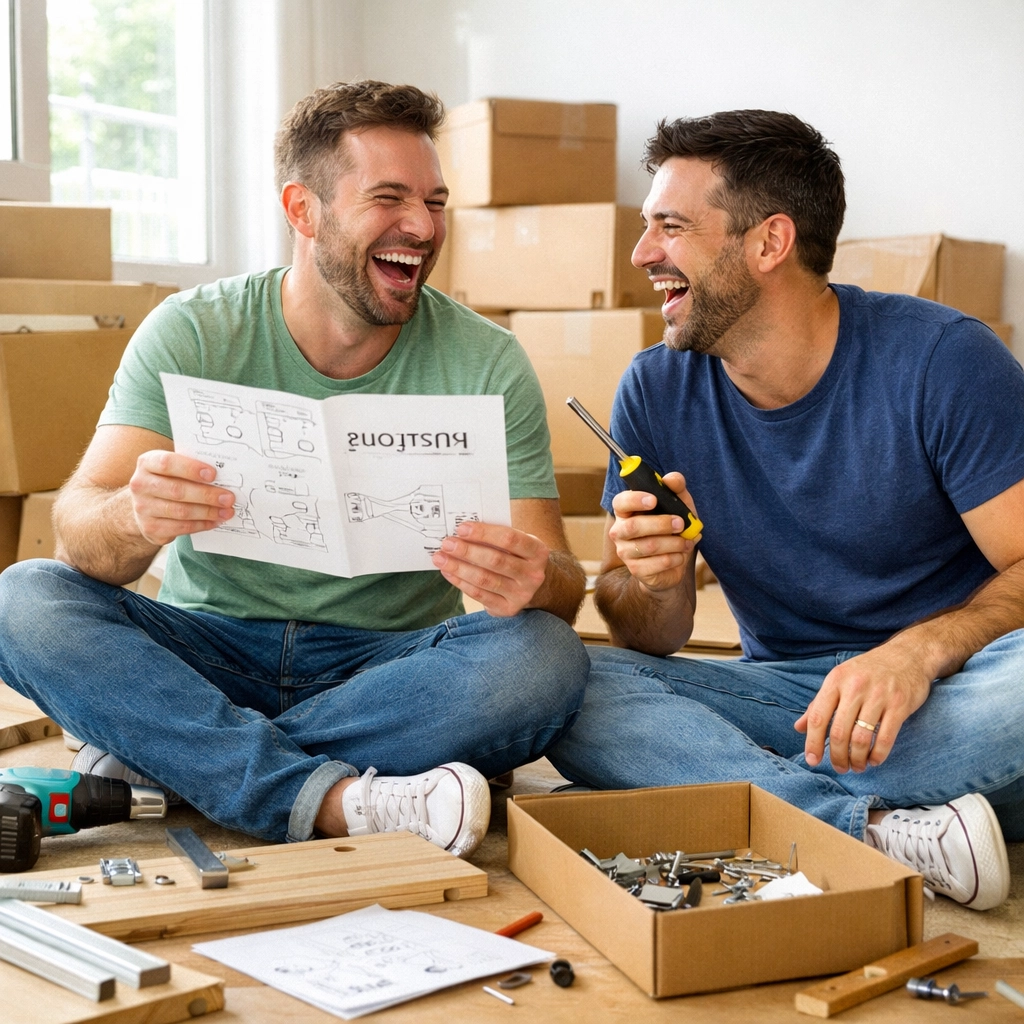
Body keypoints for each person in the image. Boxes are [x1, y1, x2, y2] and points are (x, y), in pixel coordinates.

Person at [0, 80, 588, 858]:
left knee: (544, 658)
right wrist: (133, 515)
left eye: (435, 202)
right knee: (22, 597)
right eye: (389, 199)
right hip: (208, 648)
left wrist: (534, 578)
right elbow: (83, 540)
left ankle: (179, 761)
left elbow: (562, 587)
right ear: (302, 210)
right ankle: (338, 799)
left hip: (383, 667)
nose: (422, 226)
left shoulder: (487, 360)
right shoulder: (193, 330)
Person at [548, 109, 1024, 909]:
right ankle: (873, 829)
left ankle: (721, 791)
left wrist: (918, 653)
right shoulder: (655, 388)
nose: (642, 254)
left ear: (770, 242)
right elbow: (648, 632)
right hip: (787, 703)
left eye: (671, 227)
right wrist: (659, 581)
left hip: (948, 695)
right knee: (565, 681)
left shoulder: (943, 360)